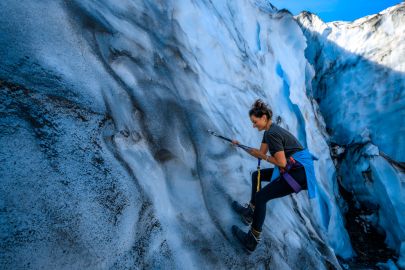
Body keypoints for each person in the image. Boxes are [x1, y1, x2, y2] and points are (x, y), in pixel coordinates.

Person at [231, 99, 317, 253]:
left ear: (264, 118)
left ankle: (252, 240)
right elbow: (261, 153)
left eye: (255, 121)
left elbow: (281, 163)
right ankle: (250, 213)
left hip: (298, 173)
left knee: (261, 197)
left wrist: (262, 156)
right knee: (256, 175)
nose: (253, 125)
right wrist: (240, 145)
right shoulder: (269, 132)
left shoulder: (272, 134)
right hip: (294, 169)